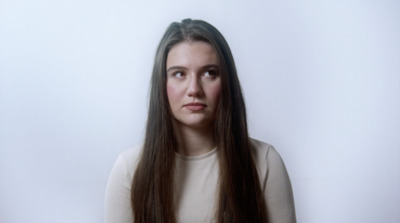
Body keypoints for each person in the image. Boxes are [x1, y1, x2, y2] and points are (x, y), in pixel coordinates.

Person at [105, 18, 296, 223]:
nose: (194, 89)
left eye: (209, 73)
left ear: (226, 81)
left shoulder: (264, 162)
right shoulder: (129, 170)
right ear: (162, 84)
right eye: (179, 74)